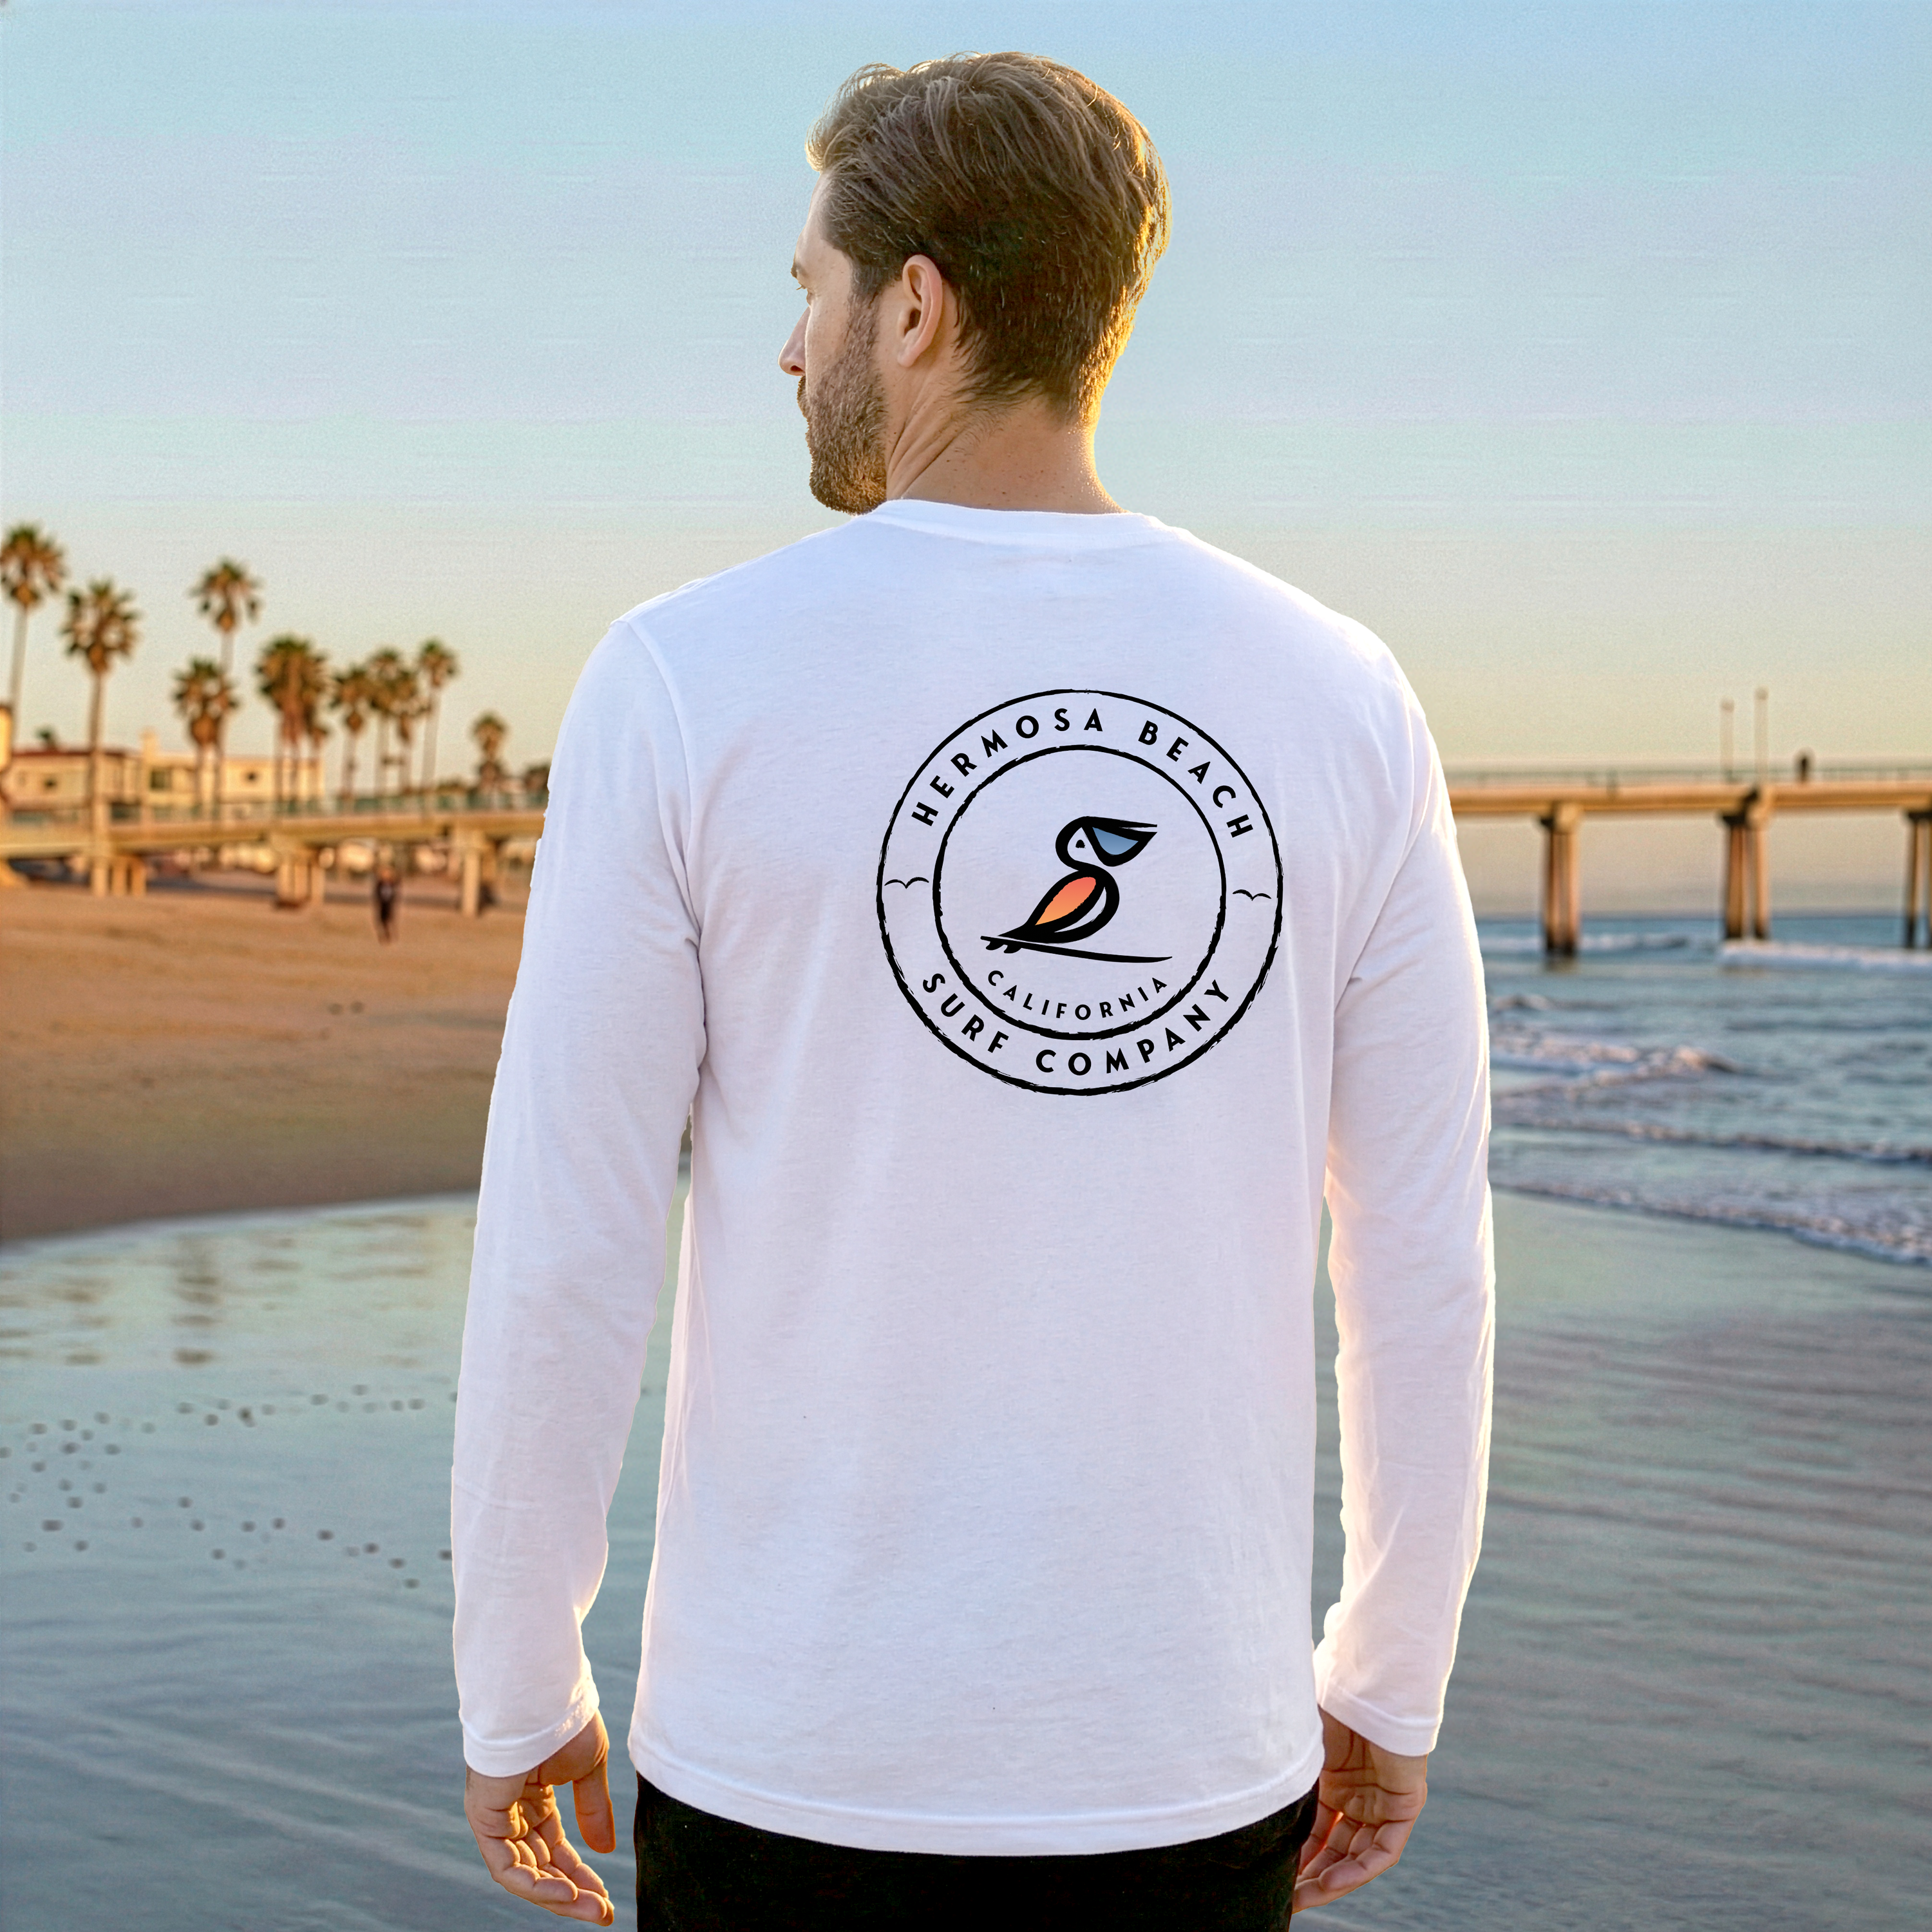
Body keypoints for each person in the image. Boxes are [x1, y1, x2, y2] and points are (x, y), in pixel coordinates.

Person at [454, 53, 1492, 1931]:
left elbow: (570, 1234)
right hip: (1189, 1756)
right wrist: (1386, 1672)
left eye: (807, 292)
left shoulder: (687, 676)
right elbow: (1416, 1239)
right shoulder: (1343, 691)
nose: (789, 349)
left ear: (914, 304)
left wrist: (520, 1681)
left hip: (787, 1760)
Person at [372, 860, 399, 942]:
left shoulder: (392, 883)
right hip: (382, 904)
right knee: (381, 921)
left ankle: (390, 935)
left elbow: (395, 893)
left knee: (390, 920)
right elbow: (377, 894)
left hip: (389, 904)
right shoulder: (380, 884)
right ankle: (383, 935)